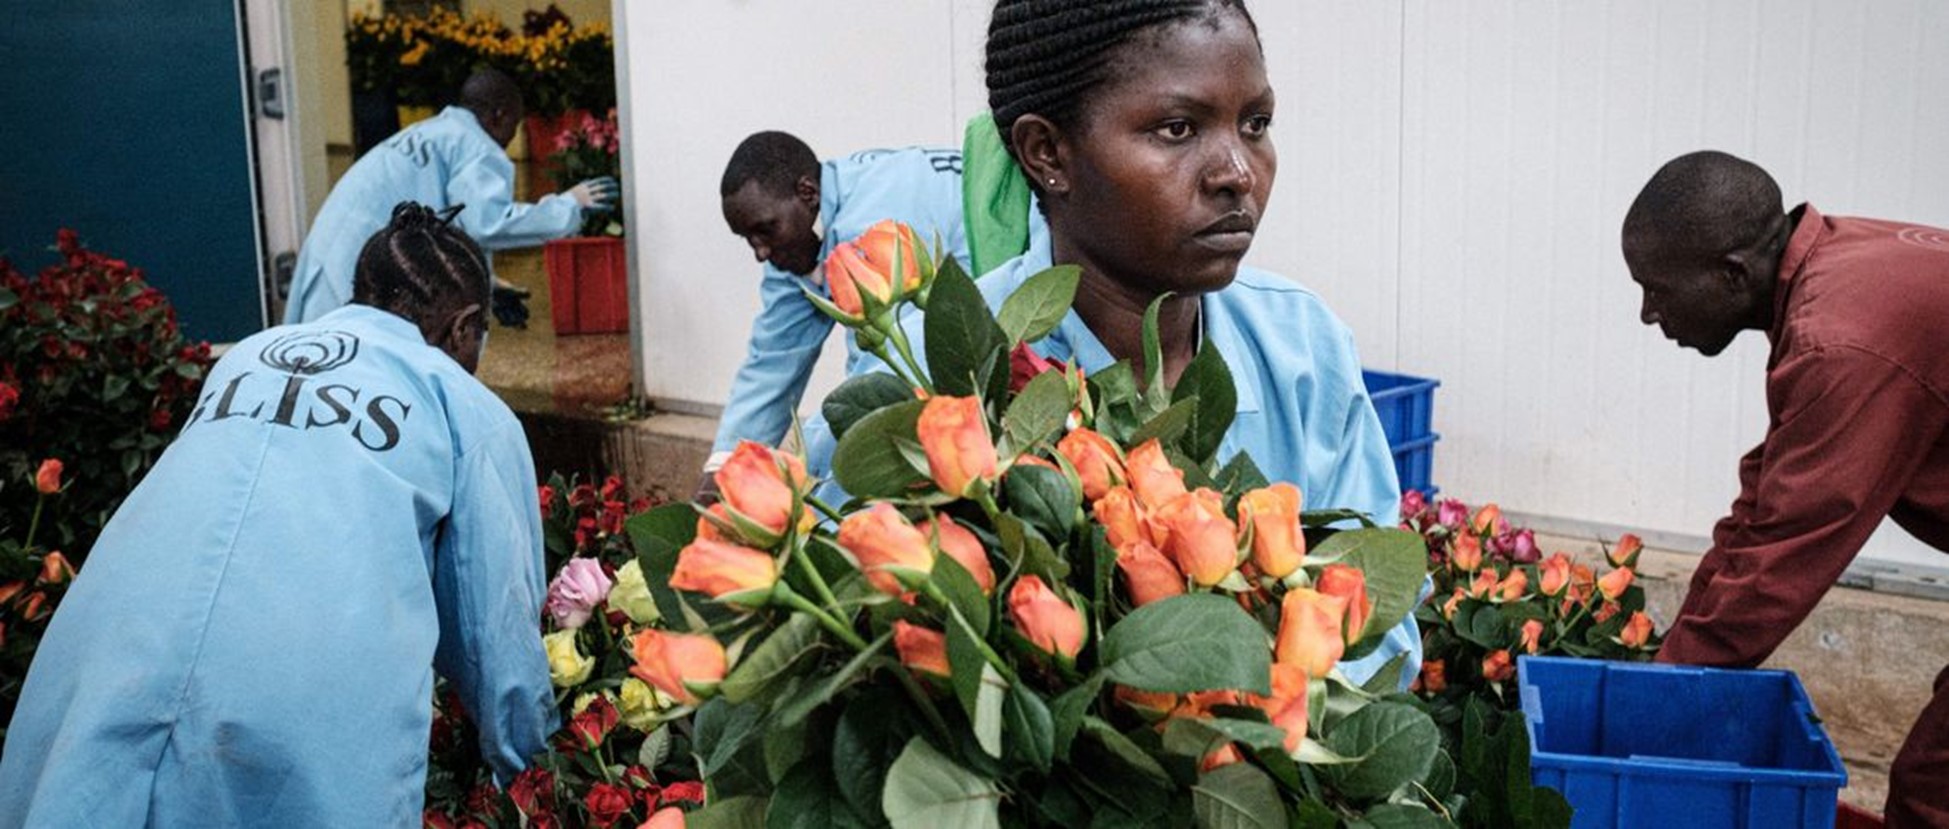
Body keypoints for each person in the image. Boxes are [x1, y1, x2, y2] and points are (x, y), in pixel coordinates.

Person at [811, 0, 1421, 687]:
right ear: (1047, 153)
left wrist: (1263, 717)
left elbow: (1379, 633)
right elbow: (851, 628)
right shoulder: (938, 370)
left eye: (1254, 124)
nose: (1236, 172)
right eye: (1177, 128)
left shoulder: (1304, 348)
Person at [0, 203, 557, 826]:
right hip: (294, 707)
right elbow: (496, 636)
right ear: (466, 326)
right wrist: (535, 780)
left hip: (112, 654)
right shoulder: (465, 405)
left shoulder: (247, 355)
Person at [1624, 150, 1949, 827]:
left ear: (1732, 273)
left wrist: (1653, 704)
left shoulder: (1840, 341)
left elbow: (1783, 554)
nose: (1648, 314)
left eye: (1656, 289)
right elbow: (1766, 498)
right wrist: (1667, 659)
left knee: (1933, 788)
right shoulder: (1829, 273)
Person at [700, 132, 971, 498]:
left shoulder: (869, 225)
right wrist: (724, 469)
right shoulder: (795, 241)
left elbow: (885, 376)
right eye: (748, 239)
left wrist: (813, 484)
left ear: (808, 193)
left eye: (765, 230)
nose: (760, 253)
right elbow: (773, 359)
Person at [284, 69, 617, 326]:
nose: (510, 137)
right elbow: (488, 223)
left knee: (316, 367)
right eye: (514, 126)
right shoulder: (477, 146)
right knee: (352, 375)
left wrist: (485, 283)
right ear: (499, 115)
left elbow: (450, 223)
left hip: (330, 254)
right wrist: (570, 205)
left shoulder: (435, 132)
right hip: (357, 270)